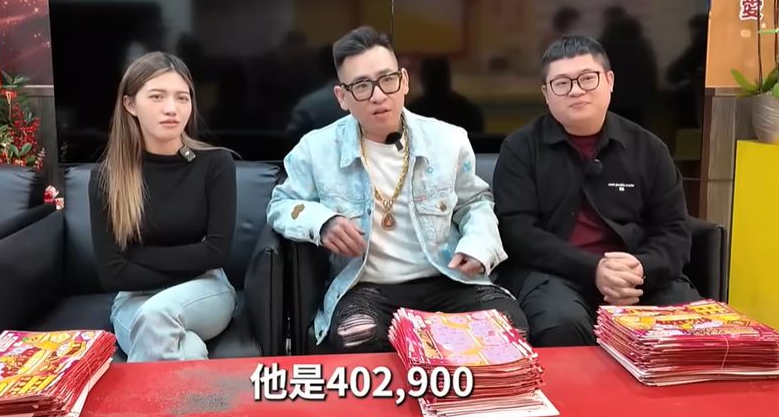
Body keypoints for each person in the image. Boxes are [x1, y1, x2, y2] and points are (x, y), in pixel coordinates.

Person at [267, 26, 527, 352]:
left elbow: (474, 202)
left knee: (508, 327)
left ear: (404, 81)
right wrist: (322, 222)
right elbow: (281, 204)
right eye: (362, 86)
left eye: (387, 79)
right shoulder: (316, 149)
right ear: (343, 97)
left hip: (447, 279)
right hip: (367, 288)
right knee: (355, 337)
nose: (378, 95)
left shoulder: (448, 140)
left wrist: (479, 245)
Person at [493, 36, 701, 347]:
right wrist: (594, 270)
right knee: (560, 323)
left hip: (637, 276)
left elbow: (674, 230)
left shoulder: (648, 148)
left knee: (692, 327)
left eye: (587, 78)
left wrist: (640, 268)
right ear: (546, 94)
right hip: (554, 274)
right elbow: (518, 233)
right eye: (561, 83)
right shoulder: (521, 148)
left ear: (609, 81)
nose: (576, 90)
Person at [89, 52, 237, 362]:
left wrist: (137, 255)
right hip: (134, 300)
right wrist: (191, 257)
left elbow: (216, 253)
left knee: (157, 314)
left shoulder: (216, 164)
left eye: (182, 98)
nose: (172, 108)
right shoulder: (108, 177)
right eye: (157, 96)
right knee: (186, 348)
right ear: (130, 104)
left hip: (205, 289)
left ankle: (141, 398)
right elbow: (112, 275)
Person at [407, 57, 484, 133]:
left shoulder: (411, 113)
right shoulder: (469, 112)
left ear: (423, 79)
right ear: (447, 78)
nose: (434, 82)